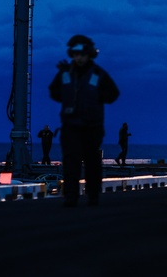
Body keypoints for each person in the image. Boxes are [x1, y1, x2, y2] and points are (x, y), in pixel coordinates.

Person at [48, 34, 120, 207]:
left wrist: (96, 99)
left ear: (89, 54)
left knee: (92, 163)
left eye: (82, 54)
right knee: (70, 162)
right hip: (70, 125)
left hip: (91, 126)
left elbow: (113, 94)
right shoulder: (65, 74)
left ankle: (93, 196)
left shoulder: (98, 74)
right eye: (75, 54)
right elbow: (54, 91)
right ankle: (71, 197)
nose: (78, 58)